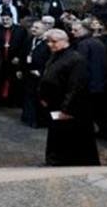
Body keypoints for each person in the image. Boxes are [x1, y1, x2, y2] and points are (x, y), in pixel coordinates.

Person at [39, 29, 99, 166]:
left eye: (53, 42)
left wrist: (66, 108)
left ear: (65, 41)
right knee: (56, 135)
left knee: (68, 138)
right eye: (48, 41)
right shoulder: (56, 56)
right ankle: (55, 160)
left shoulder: (76, 59)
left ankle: (63, 162)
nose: (50, 44)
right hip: (55, 103)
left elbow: (76, 86)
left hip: (71, 107)